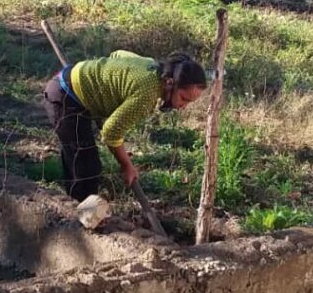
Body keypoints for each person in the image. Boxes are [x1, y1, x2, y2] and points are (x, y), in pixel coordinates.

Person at [44, 50, 207, 202]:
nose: (183, 106)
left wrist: (106, 90)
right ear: (170, 83)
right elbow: (110, 132)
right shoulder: (147, 96)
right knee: (86, 169)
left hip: (72, 79)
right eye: (184, 99)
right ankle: (78, 217)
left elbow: (118, 54)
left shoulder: (150, 65)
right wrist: (127, 166)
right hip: (65, 96)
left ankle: (76, 206)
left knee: (79, 158)